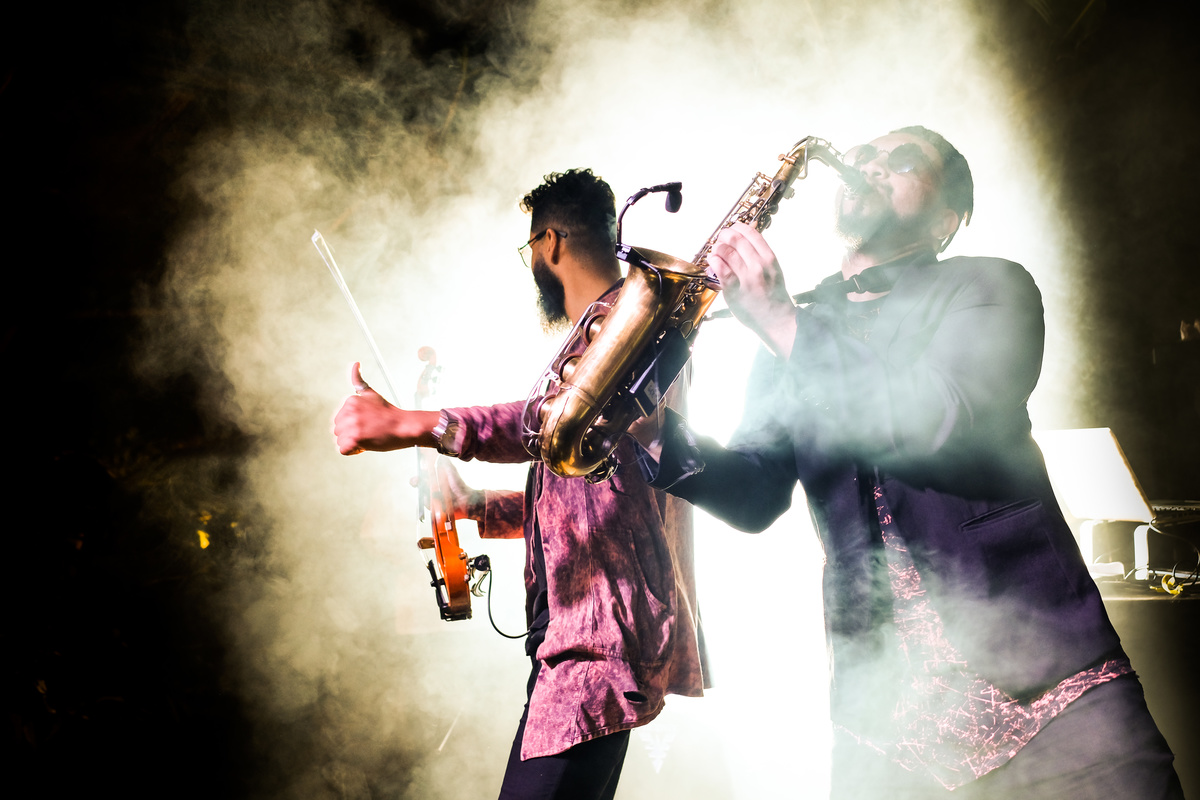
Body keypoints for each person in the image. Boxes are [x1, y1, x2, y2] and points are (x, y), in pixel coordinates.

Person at [633, 127, 1184, 798]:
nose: (870, 165)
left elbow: (936, 416)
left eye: (901, 162)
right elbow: (754, 494)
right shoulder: (795, 326)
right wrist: (653, 434)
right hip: (888, 722)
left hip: (1055, 693)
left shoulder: (991, 286)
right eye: (864, 154)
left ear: (947, 219)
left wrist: (782, 322)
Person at [333, 168, 707, 800]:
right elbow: (590, 495)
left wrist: (416, 423)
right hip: (584, 643)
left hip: (596, 645)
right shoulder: (606, 334)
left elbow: (541, 424)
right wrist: (478, 508)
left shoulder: (629, 328)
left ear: (549, 242)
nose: (532, 261)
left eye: (530, 246)